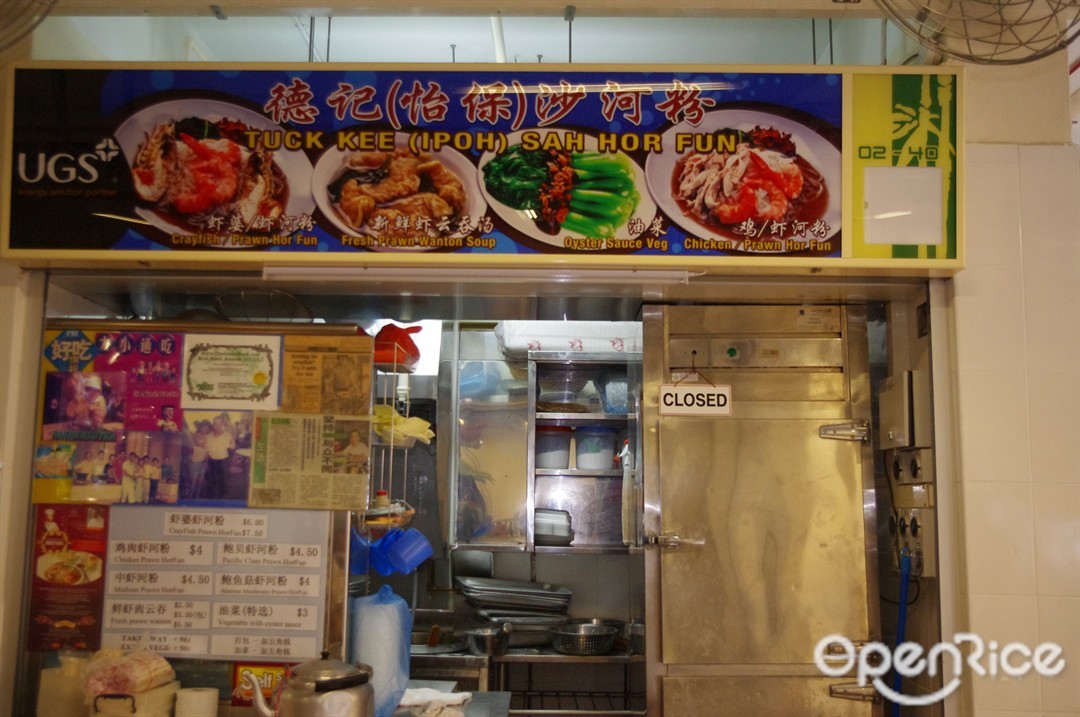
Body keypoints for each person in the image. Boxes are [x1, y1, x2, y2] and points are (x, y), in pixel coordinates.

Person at [205, 415, 236, 499]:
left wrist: (233, 446)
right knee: (212, 482)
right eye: (216, 424)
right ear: (213, 425)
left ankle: (221, 498)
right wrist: (206, 464)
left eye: (220, 424)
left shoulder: (228, 436)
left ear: (223, 425)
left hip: (223, 462)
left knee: (223, 482)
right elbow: (206, 452)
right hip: (212, 462)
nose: (218, 426)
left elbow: (232, 448)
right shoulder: (208, 437)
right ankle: (212, 499)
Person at [186, 421, 210, 499]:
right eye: (204, 427)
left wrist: (206, 463)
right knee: (192, 484)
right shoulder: (196, 435)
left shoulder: (208, 437)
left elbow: (207, 452)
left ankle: (195, 500)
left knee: (199, 484)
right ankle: (188, 500)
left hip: (202, 463)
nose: (205, 429)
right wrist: (207, 443)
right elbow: (199, 444)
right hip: (194, 463)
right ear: (200, 427)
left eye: (207, 427)